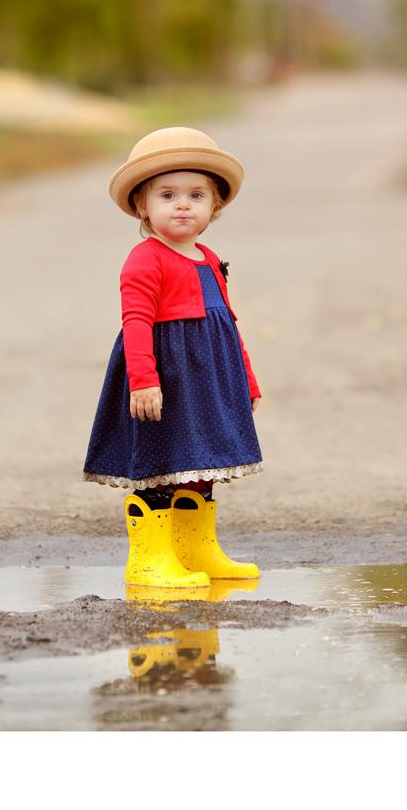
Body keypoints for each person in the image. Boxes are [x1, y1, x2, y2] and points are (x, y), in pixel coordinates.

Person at [83, 126, 263, 588]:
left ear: (213, 206)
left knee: (199, 464)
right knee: (161, 465)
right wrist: (144, 380)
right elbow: (136, 324)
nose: (182, 204)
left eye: (195, 195)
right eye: (167, 194)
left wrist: (246, 381)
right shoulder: (146, 259)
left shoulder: (208, 257)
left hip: (207, 382)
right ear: (142, 206)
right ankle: (150, 560)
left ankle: (196, 551)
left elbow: (228, 322)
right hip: (164, 380)